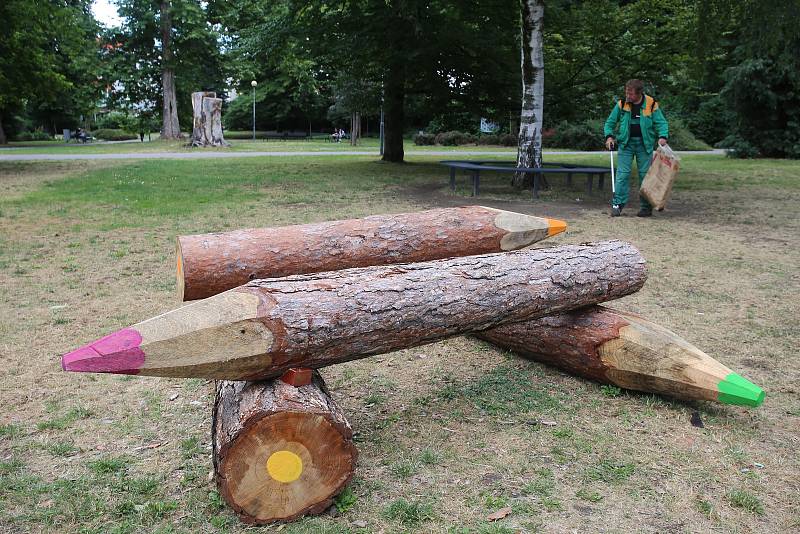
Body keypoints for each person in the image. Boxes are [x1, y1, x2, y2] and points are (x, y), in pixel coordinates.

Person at [603, 79, 669, 217]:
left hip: (644, 145)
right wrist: (609, 137)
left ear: (639, 93)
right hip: (625, 144)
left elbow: (661, 122)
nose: (628, 96)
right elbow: (610, 122)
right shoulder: (621, 104)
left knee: (644, 176)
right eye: (626, 92)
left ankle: (646, 207)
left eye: (631, 94)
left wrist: (663, 136)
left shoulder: (651, 104)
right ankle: (618, 205)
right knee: (622, 174)